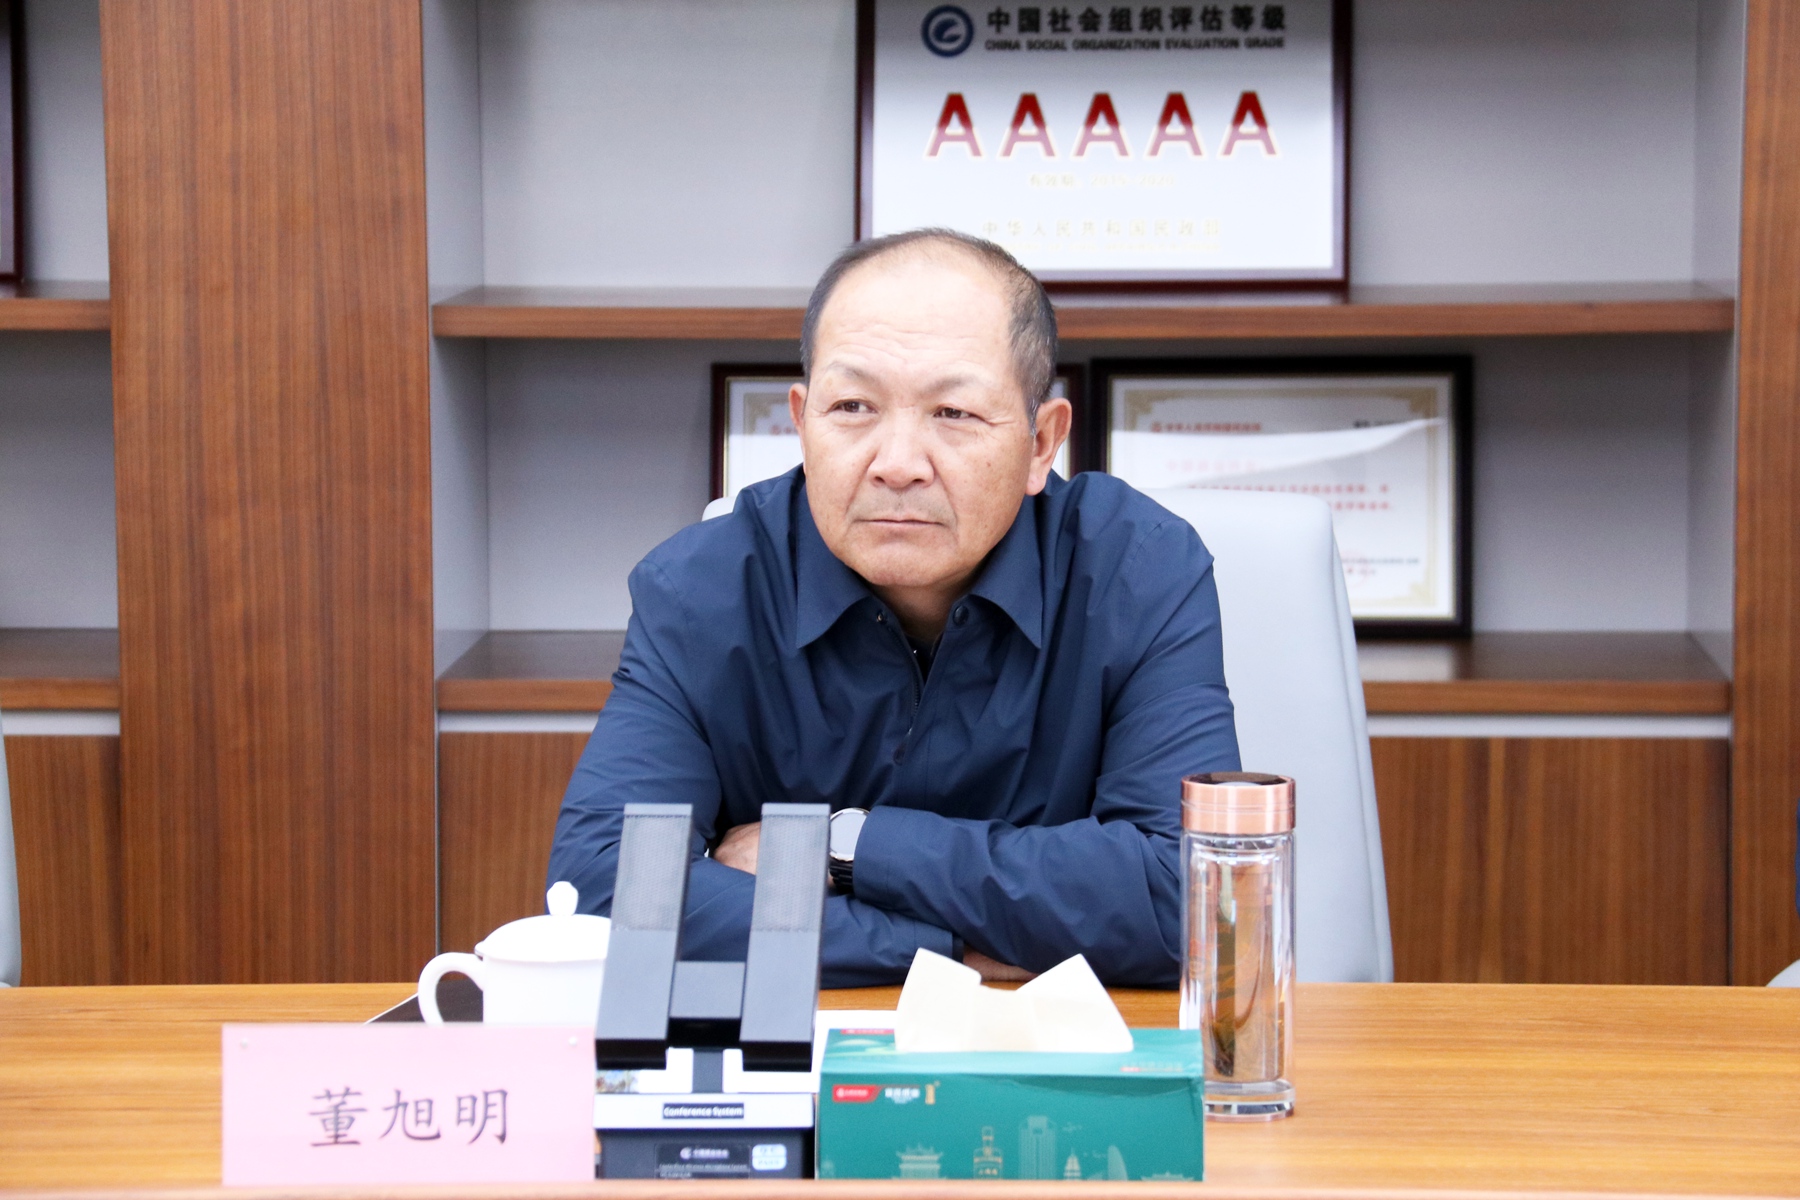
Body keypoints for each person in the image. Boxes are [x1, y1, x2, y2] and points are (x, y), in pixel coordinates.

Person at [547, 229, 1239, 988]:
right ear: (802, 424)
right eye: (852, 406)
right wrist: (944, 949)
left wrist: (844, 846)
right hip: (802, 1044)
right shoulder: (700, 591)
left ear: (1042, 442)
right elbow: (605, 891)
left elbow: (1188, 896)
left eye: (954, 413)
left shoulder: (1139, 572)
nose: (898, 464)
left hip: (1068, 1044)